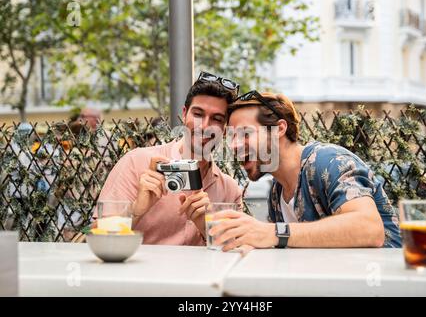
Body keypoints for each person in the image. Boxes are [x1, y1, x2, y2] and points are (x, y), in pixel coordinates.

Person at [209, 91, 402, 251]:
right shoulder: (277, 193)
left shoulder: (328, 161)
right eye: (231, 137)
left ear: (279, 129)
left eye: (245, 134)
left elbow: (368, 228)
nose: (234, 145)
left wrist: (272, 232)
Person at [96, 72, 243, 245]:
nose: (204, 126)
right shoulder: (136, 163)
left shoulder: (230, 190)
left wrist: (206, 227)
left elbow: (234, 252)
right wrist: (136, 210)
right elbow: (101, 240)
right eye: (198, 114)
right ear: (184, 114)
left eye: (217, 119)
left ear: (225, 129)